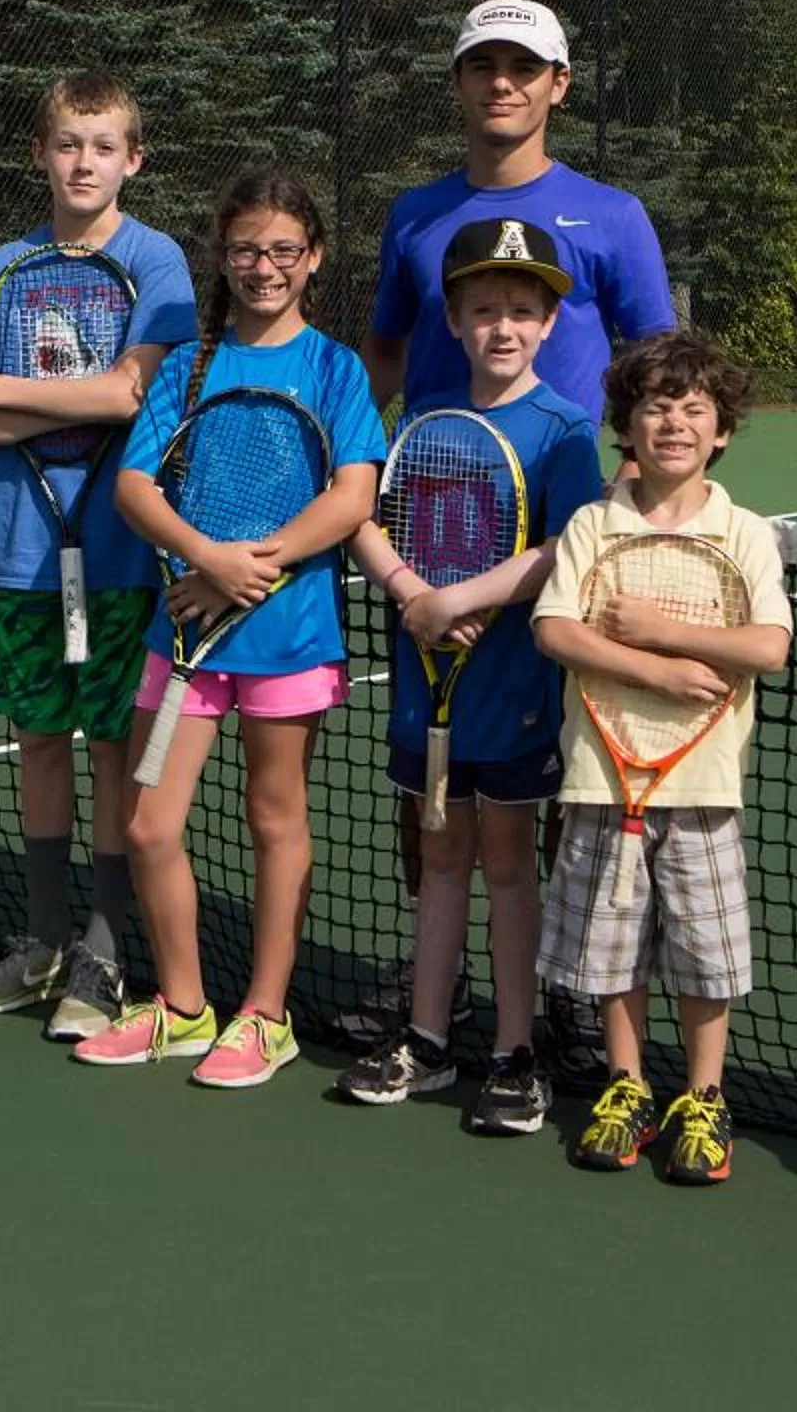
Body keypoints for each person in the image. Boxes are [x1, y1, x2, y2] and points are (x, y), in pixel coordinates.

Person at [355, 0, 675, 1048]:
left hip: (558, 540)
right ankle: (434, 977)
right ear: (458, 82)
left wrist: (621, 508)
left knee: (558, 775)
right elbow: (387, 359)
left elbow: (657, 369)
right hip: (432, 540)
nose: (503, 83)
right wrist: (368, 481)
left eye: (523, 67)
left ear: (559, 84)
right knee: (436, 770)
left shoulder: (614, 215)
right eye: (483, 65)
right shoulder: (414, 213)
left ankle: (561, 982)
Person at [73, 170, 384, 1087]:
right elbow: (135, 486)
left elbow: (354, 493)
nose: (264, 267)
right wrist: (205, 557)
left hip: (289, 637)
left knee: (274, 818)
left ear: (314, 258)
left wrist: (256, 562)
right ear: (223, 255)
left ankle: (264, 1015)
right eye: (247, 248)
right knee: (148, 823)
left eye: (284, 250)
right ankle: (180, 1005)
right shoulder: (189, 365)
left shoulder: (335, 368)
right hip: (183, 641)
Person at [0, 74, 197, 1040]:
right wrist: (10, 400)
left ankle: (103, 950)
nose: (83, 163)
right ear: (42, 155)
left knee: (112, 747)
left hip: (123, 559)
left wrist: (7, 395)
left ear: (133, 159)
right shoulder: (4, 264)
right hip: (21, 553)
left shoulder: (156, 260)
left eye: (103, 146)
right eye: (67, 144)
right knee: (39, 741)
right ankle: (43, 942)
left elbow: (131, 397)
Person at [336, 219, 601, 1134]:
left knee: (508, 867)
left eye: (522, 311)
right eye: (484, 309)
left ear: (549, 322)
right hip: (426, 687)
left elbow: (567, 547)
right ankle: (430, 1036)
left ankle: (516, 1051)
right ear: (450, 318)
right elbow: (363, 515)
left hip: (515, 693)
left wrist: (461, 601)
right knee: (440, 860)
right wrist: (413, 589)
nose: (503, 327)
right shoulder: (423, 421)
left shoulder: (564, 432)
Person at [532, 330, 790, 1180]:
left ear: (721, 431)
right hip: (602, 775)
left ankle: (705, 1097)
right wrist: (650, 668)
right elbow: (556, 627)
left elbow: (769, 646)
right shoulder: (592, 524)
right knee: (612, 950)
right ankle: (628, 1084)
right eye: (655, 407)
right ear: (626, 425)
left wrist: (670, 636)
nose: (674, 423)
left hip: (704, 784)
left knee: (702, 953)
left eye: (694, 410)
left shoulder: (745, 531)